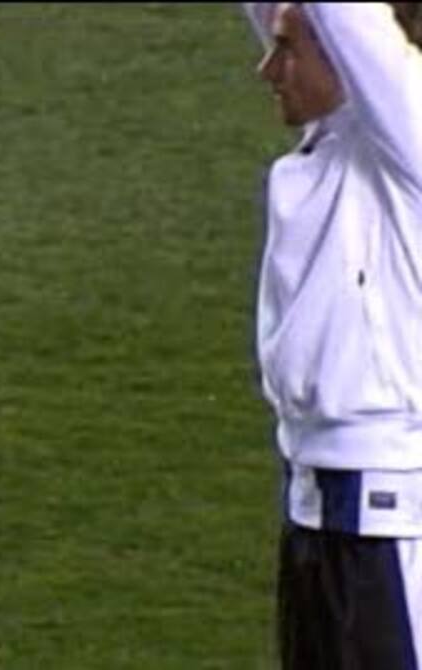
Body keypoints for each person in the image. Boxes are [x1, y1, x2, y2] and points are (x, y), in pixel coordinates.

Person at [242, 3, 422, 667]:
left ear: (351, 59)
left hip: (386, 528)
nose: (267, 68)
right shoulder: (335, 142)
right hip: (313, 519)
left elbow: (345, 18)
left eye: (287, 48)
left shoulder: (411, 135)